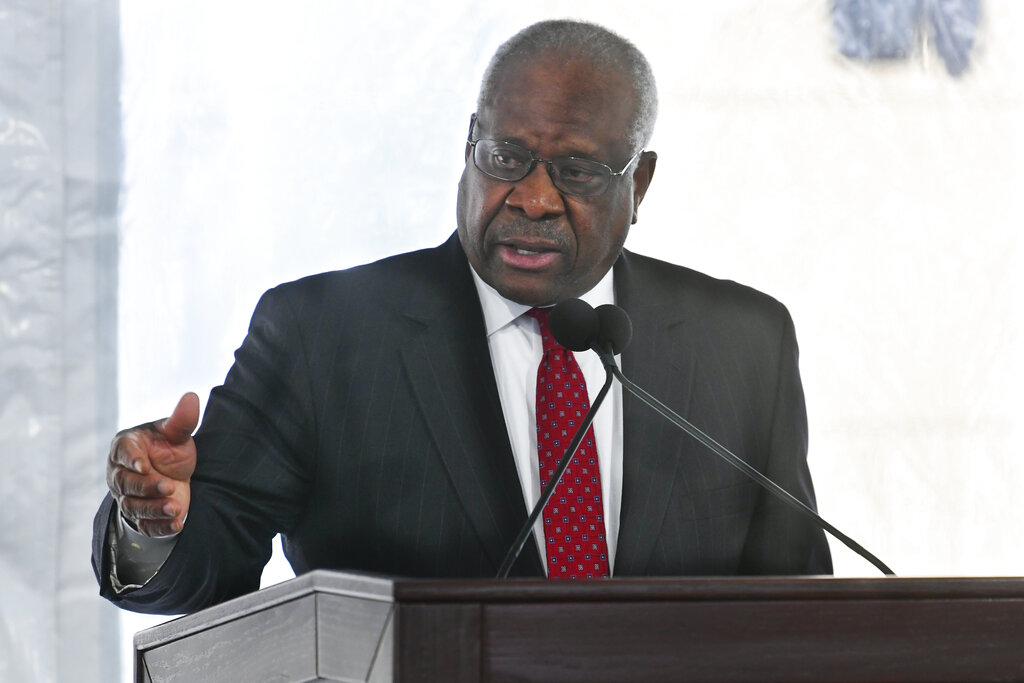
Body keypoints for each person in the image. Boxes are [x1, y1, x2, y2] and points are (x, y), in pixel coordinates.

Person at [94, 19, 832, 615]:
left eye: (576, 171)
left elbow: (801, 614)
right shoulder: (322, 336)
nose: (533, 199)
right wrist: (155, 520)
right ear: (469, 145)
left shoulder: (744, 343)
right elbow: (210, 559)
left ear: (638, 183)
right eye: (506, 157)